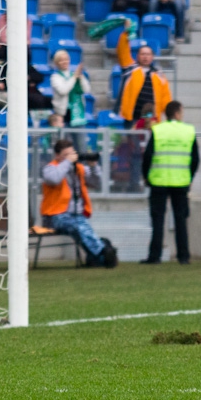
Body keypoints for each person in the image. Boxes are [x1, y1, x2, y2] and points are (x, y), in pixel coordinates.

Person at [41, 139, 118, 268]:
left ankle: (98, 257)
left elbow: (96, 183)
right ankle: (104, 251)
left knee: (83, 228)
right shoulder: (50, 168)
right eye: (66, 155)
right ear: (57, 155)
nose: (70, 157)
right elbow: (54, 179)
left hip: (76, 214)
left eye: (72, 154)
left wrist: (93, 166)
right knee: (79, 227)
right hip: (55, 216)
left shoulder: (78, 169)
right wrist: (67, 162)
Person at [140, 101, 199, 265]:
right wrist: (190, 177)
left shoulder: (158, 130)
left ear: (166, 114)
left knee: (158, 220)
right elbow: (195, 159)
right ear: (178, 113)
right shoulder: (188, 131)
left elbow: (148, 156)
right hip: (181, 181)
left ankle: (155, 256)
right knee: (181, 219)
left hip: (159, 180)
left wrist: (146, 176)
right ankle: (183, 256)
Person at [116, 29, 173, 125]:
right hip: (132, 119)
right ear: (138, 56)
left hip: (152, 120)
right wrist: (126, 33)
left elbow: (166, 98)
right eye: (142, 54)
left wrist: (170, 118)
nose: (145, 57)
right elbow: (122, 51)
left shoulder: (159, 74)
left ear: (152, 57)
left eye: (148, 54)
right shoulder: (130, 68)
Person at [49, 50, 92, 145]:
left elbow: (86, 90)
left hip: (77, 116)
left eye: (66, 59)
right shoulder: (55, 77)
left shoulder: (74, 74)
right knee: (63, 146)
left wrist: (81, 77)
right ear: (57, 63)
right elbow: (63, 90)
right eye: (61, 60)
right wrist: (74, 77)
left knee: (81, 147)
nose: (65, 62)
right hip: (63, 117)